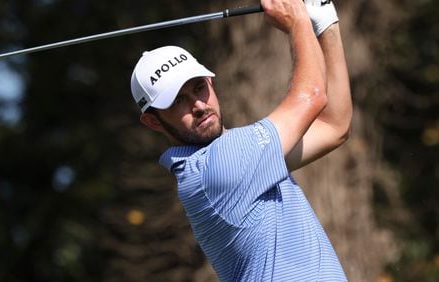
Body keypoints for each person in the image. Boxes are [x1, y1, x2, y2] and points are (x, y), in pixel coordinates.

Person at [130, 0, 352, 280]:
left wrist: (324, 22)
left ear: (211, 81)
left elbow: (334, 126)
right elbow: (313, 95)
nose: (198, 105)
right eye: (177, 102)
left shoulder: (250, 160)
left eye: (198, 87)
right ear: (152, 121)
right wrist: (297, 20)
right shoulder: (216, 168)